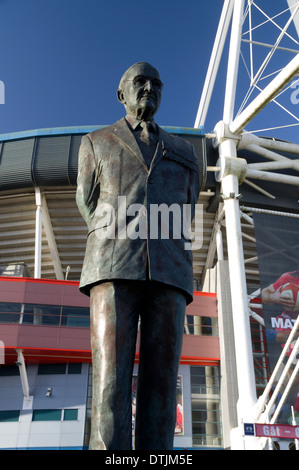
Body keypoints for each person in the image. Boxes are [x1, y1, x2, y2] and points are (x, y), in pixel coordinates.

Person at [76, 62, 200, 450]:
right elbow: (87, 202)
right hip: (112, 265)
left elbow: (188, 204)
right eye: (140, 82)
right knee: (110, 378)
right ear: (122, 94)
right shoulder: (96, 141)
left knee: (163, 382)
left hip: (169, 271)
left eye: (156, 84)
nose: (148, 88)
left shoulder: (184, 151)